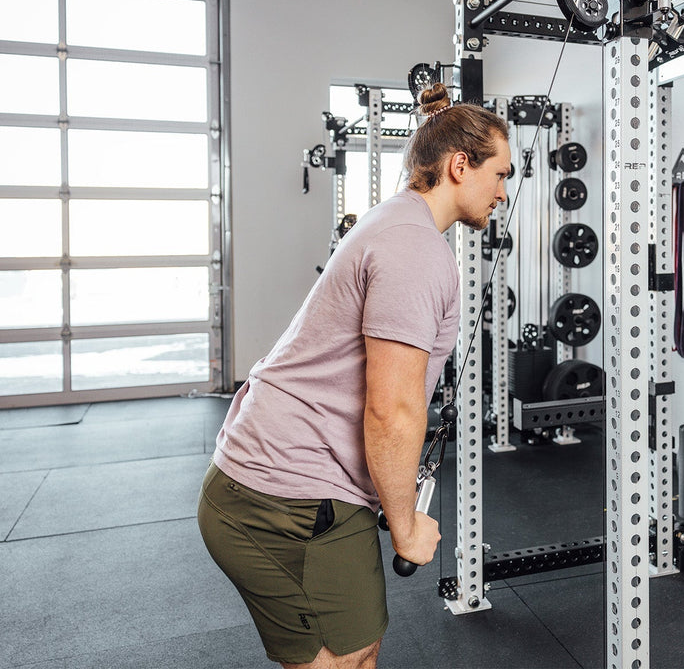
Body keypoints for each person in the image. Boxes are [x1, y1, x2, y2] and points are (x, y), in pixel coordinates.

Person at [197, 83, 511, 669]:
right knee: (344, 663)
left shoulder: (396, 222)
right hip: (283, 499)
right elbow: (391, 410)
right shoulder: (414, 249)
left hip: (291, 483)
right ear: (459, 165)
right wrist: (405, 524)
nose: (502, 191)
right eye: (499, 173)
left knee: (359, 652)